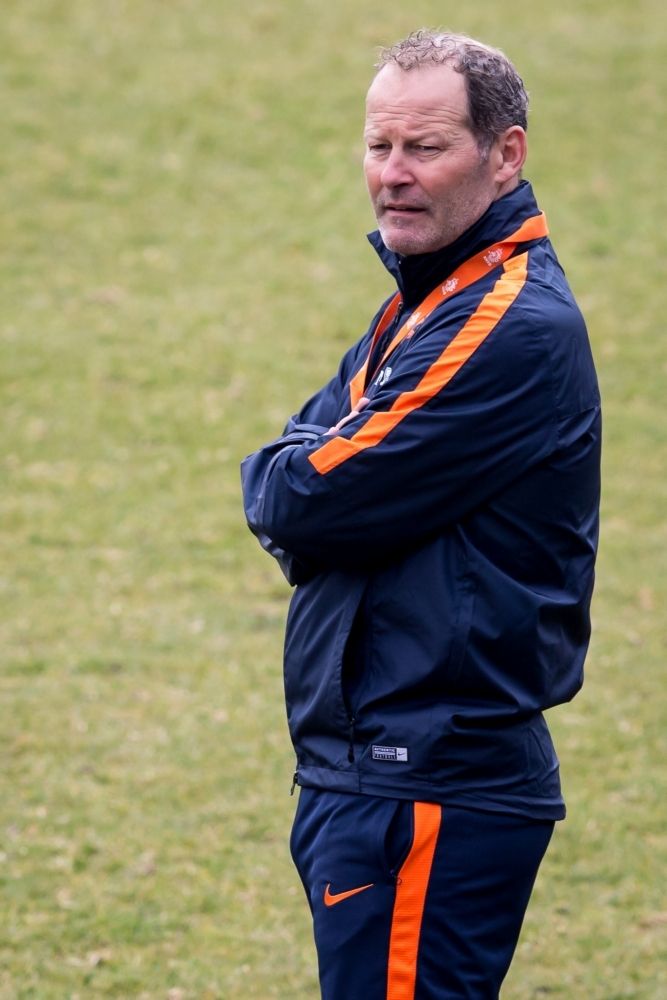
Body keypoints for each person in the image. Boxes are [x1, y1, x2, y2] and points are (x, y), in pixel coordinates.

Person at [241, 29, 600, 1000]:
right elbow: (307, 465)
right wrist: (304, 486)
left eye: (425, 147)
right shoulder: (429, 303)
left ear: (504, 154)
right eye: (378, 146)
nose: (391, 174)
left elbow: (299, 494)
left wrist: (300, 493)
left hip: (426, 779)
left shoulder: (505, 324)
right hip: (379, 773)